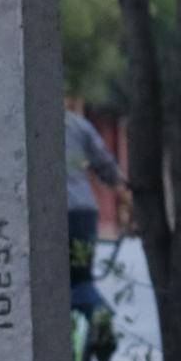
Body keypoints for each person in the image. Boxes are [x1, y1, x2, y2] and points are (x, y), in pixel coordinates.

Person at [64, 105, 130, 322]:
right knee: (81, 281)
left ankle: (97, 326)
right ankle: (100, 327)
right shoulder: (77, 124)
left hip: (52, 216)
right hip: (81, 214)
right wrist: (126, 200)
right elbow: (106, 165)